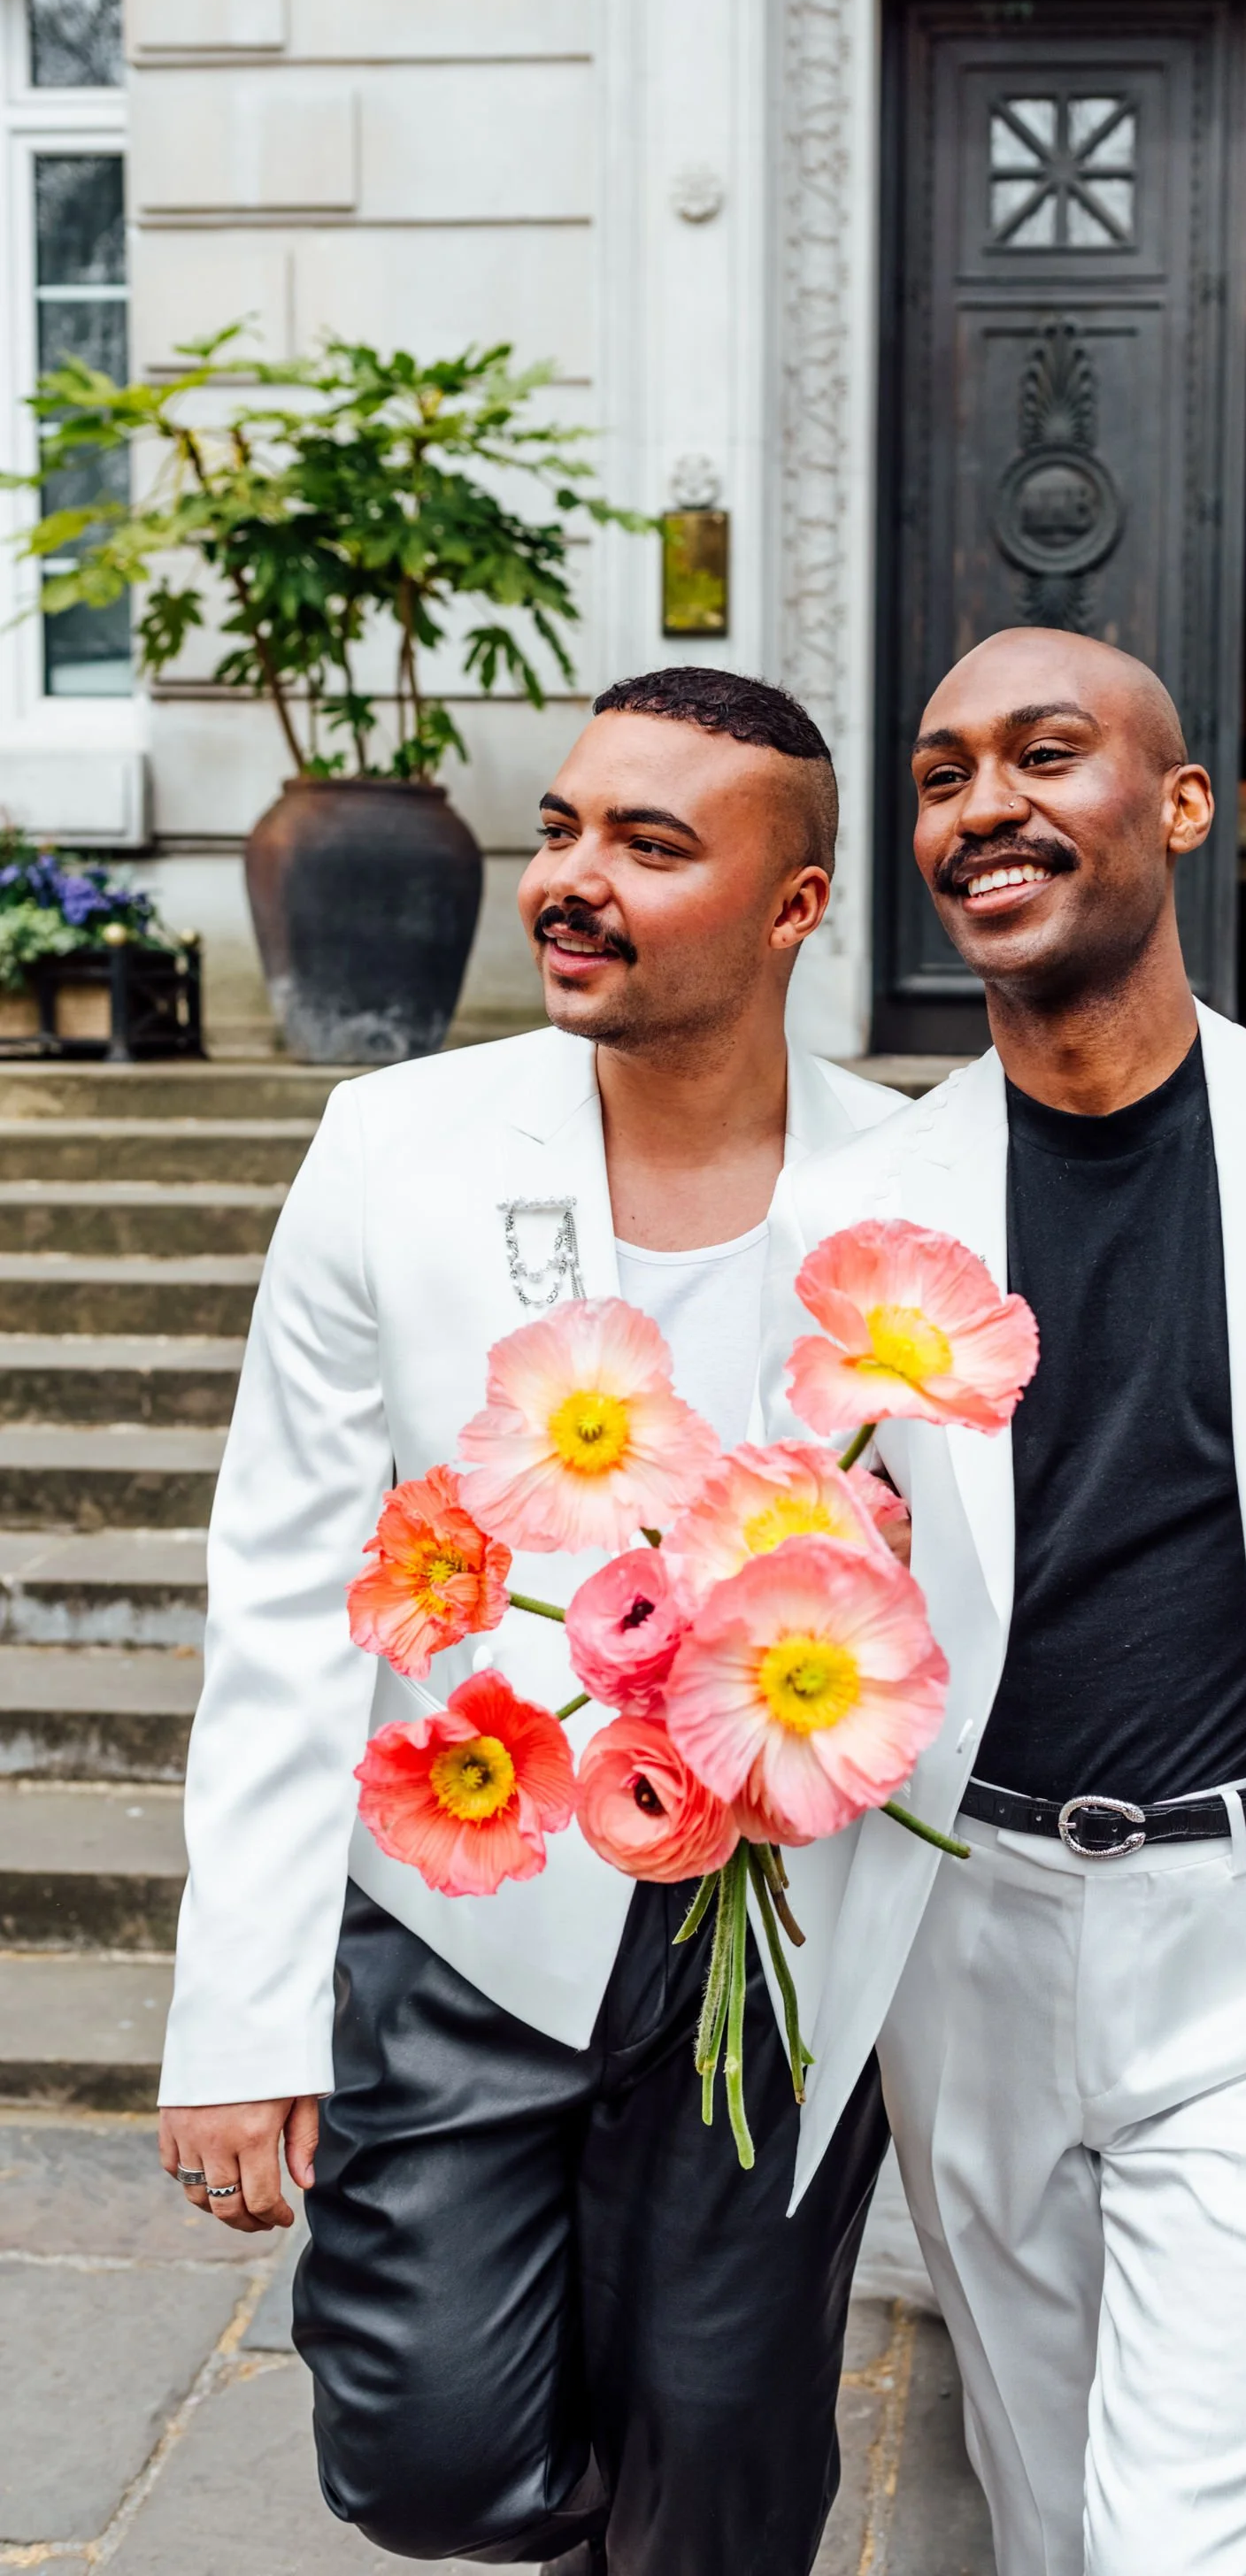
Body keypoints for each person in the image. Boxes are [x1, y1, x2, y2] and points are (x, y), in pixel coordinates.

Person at [156, 667, 904, 2574]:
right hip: (466, 1916)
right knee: (426, 2456)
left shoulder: (920, 1187)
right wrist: (241, 2011)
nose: (570, 877)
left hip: (780, 1949)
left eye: (650, 847)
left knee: (722, 2473)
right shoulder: (392, 1150)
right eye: (563, 827)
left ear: (791, 908)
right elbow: (285, 1589)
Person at [762, 627, 1246, 2576]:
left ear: (1176, 808)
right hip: (967, 1950)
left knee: (1178, 2548)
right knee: (1044, 2512)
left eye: (1041, 754)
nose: (979, 804)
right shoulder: (848, 1209)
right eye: (935, 774)